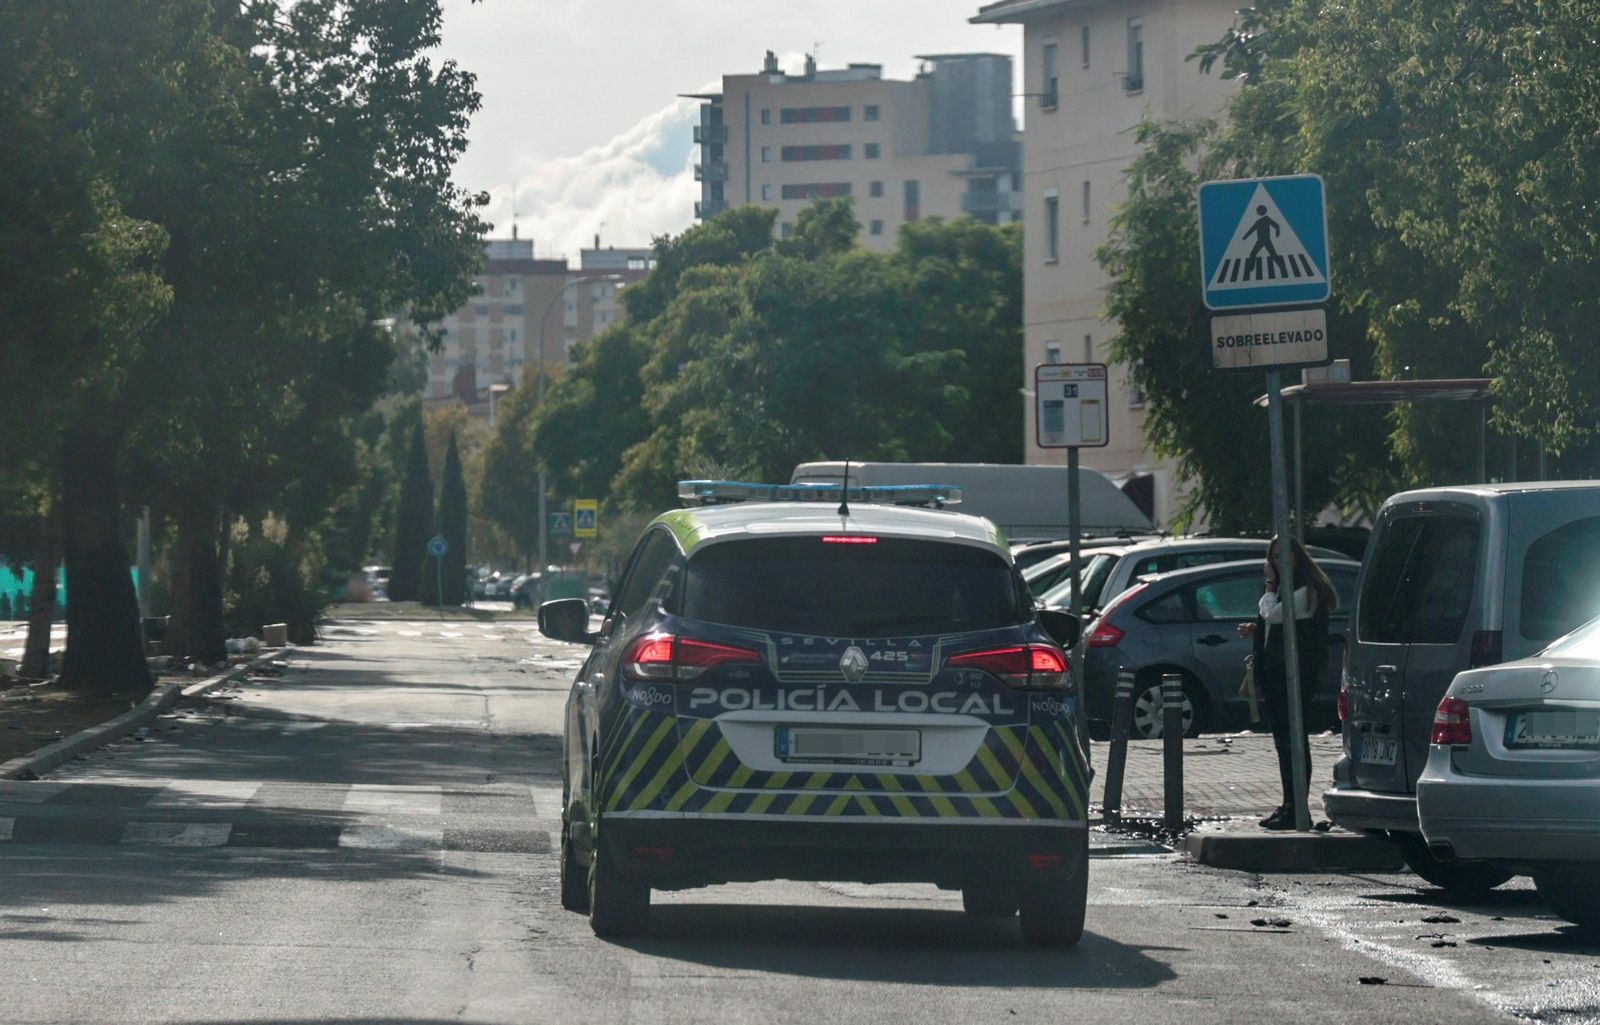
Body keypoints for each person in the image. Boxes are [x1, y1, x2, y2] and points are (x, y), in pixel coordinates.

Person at [1236, 536, 1336, 829]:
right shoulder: (1285, 590)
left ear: (1298, 558)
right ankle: (1289, 804)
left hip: (1295, 675)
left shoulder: (1305, 588)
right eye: (1275, 557)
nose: (1279, 563)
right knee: (1283, 741)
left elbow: (1278, 614)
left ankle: (1297, 808)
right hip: (1275, 671)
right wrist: (1256, 628)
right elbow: (1278, 622)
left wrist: (1268, 588)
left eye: (1285, 556)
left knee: (1294, 738)